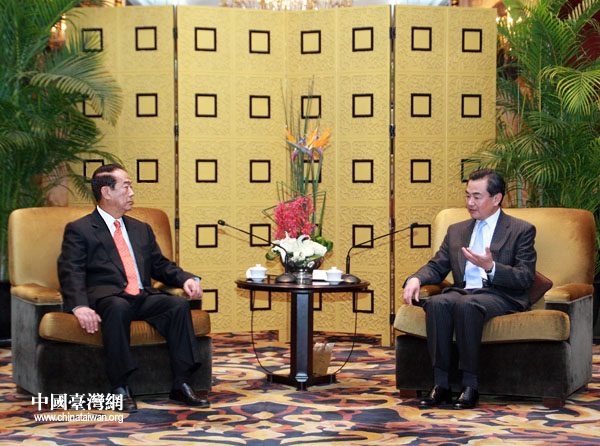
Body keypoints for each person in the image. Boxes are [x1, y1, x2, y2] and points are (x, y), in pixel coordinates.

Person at [58, 164, 207, 413]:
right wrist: (79, 305)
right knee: (117, 307)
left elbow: (160, 265)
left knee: (177, 305)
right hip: (107, 298)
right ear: (106, 192)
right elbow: (71, 271)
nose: (132, 192)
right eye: (126, 186)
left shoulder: (140, 228)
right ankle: (120, 386)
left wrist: (185, 279)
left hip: (142, 295)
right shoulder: (80, 229)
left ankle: (181, 383)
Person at [402, 168, 536, 409]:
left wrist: (491, 267)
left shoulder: (521, 230)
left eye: (477, 196)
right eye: (467, 195)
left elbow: (525, 277)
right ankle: (441, 384)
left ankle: (470, 385)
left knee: (467, 305)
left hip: (500, 294)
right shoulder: (457, 231)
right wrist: (416, 279)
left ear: (496, 198)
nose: (470, 203)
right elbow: (437, 265)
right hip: (463, 291)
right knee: (437, 303)